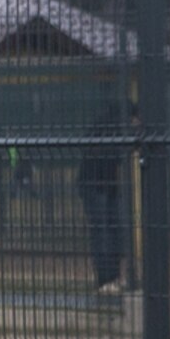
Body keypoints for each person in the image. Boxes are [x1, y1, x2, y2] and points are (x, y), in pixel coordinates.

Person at [76, 100, 130, 296]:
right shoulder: (110, 129)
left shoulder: (110, 127)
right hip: (95, 185)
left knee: (113, 229)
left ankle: (112, 276)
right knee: (102, 232)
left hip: (107, 185)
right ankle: (105, 279)